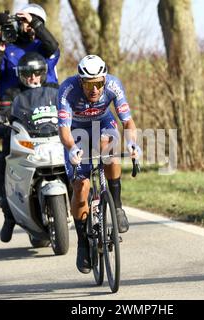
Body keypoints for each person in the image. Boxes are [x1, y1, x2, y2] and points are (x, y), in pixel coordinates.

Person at [57, 55, 141, 274]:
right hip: (76, 131)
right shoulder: (67, 89)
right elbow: (64, 130)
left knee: (110, 147)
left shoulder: (113, 85)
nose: (94, 89)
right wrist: (71, 148)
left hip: (104, 123)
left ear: (104, 79)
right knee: (80, 187)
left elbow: (128, 121)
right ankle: (83, 243)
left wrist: (132, 143)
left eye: (98, 84)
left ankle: (118, 206)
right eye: (88, 84)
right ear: (80, 81)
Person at [0, 52, 59, 243]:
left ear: (43, 73)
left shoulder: (54, 90)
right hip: (24, 140)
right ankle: (9, 215)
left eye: (36, 73)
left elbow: (66, 109)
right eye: (28, 73)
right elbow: (3, 112)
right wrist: (1, 124)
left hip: (52, 138)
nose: (32, 78)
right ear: (20, 74)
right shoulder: (12, 93)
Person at [0, 3, 60, 102]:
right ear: (19, 22)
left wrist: (33, 21)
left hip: (47, 105)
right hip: (15, 108)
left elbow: (52, 46)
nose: (30, 25)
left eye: (35, 21)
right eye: (26, 21)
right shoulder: (8, 49)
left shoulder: (45, 47)